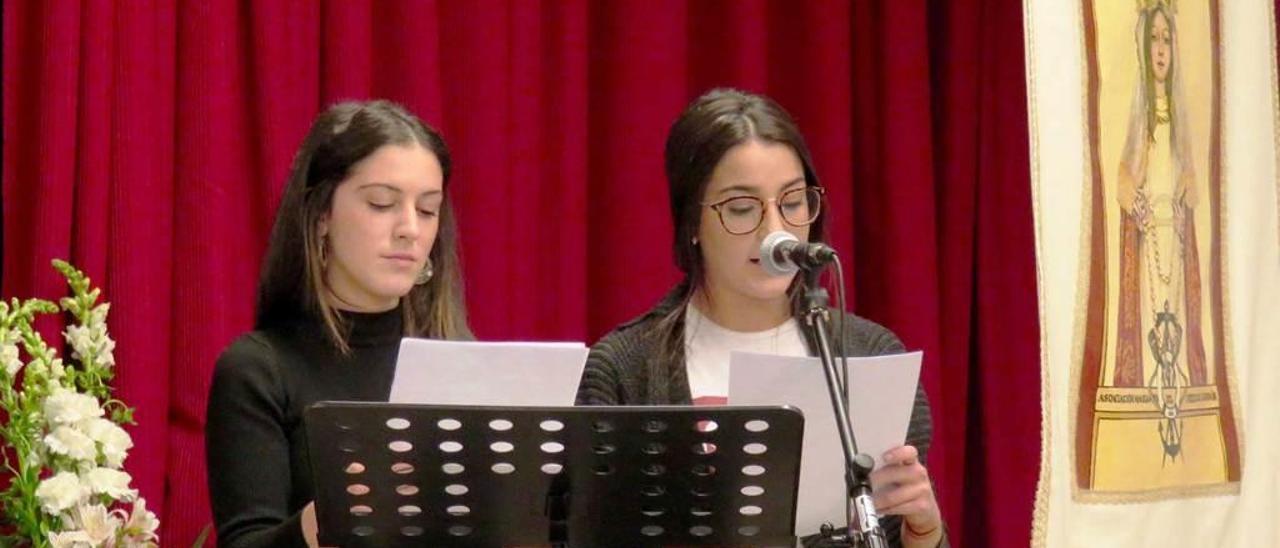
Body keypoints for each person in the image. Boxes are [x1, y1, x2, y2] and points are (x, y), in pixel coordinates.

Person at [576, 88, 946, 547]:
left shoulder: (869, 356)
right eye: (742, 209)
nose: (775, 232)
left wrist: (923, 529)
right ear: (692, 223)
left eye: (792, 203)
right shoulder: (623, 368)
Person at [206, 100, 470, 548]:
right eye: (382, 203)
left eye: (427, 210)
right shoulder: (259, 369)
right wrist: (340, 506)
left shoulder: (461, 363)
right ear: (322, 214)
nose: (410, 228)